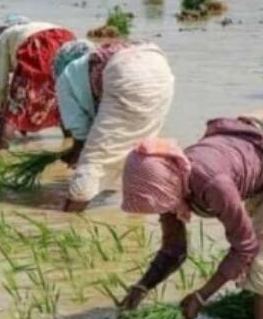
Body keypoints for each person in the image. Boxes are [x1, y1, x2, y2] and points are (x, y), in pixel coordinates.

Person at [119, 110, 263, 319]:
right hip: (261, 137)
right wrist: (143, 286)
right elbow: (174, 249)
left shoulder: (213, 184)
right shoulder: (169, 179)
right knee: (254, 259)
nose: (162, 210)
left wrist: (202, 297)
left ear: (167, 185)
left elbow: (245, 247)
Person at [55, 39, 174, 211]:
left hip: (125, 71)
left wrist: (76, 154)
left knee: (93, 161)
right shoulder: (92, 62)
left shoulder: (65, 76)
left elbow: (80, 133)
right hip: (159, 65)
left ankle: (67, 219)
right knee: (140, 149)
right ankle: (138, 215)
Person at [0, 15, 75, 150]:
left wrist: (1, 110)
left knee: (14, 109)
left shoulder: (4, 37)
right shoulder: (36, 27)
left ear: (6, 28)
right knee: (62, 100)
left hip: (38, 45)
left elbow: (0, 80)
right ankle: (72, 146)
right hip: (67, 40)